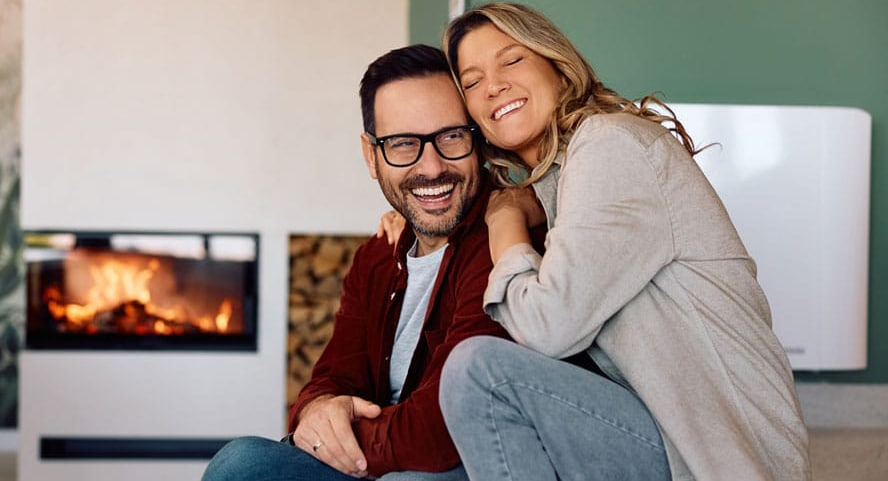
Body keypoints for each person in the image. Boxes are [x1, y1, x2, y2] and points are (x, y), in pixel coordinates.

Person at [379, 3, 811, 480]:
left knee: (479, 370)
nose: (494, 85)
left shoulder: (611, 146)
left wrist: (503, 220)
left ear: (557, 66)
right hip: (659, 433)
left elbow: (549, 328)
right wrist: (420, 220)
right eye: (473, 80)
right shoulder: (555, 184)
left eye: (512, 60)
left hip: (721, 457)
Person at [200, 44, 511, 481]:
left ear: (477, 139)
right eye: (403, 144)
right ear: (371, 156)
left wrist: (337, 438)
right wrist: (319, 411)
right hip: (382, 460)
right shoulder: (378, 255)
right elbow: (332, 376)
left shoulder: (502, 241)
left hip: (459, 467)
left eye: (452, 136)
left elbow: (441, 429)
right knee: (243, 463)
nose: (432, 165)